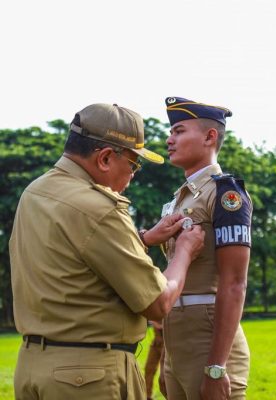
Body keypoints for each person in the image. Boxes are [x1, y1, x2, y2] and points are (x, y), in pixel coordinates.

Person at [9, 103, 205, 400]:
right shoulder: (99, 208)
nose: (132, 175)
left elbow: (71, 257)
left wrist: (143, 239)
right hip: (88, 376)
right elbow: (158, 302)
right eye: (133, 164)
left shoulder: (36, 192)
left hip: (33, 367)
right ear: (104, 158)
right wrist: (184, 253)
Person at [158, 97, 252, 400]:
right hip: (177, 335)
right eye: (171, 132)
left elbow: (234, 283)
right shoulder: (181, 198)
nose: (169, 140)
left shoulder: (225, 193)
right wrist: (165, 358)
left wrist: (216, 366)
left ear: (210, 137)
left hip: (208, 336)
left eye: (179, 131)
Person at [144, 321, 164, 400]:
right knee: (149, 368)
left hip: (166, 339)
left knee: (166, 372)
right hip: (156, 340)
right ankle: (147, 396)